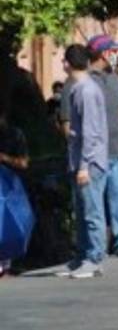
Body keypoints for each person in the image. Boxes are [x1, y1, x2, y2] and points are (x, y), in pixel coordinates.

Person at [81, 35, 118, 258]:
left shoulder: (116, 79)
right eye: (115, 51)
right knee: (95, 204)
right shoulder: (85, 82)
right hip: (97, 153)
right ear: (105, 53)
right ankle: (96, 248)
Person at [57, 44, 108, 279]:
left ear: (68, 63)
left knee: (92, 210)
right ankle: (82, 256)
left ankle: (94, 258)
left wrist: (85, 166)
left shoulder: (86, 90)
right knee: (82, 210)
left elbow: (90, 131)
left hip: (89, 161)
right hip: (79, 159)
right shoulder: (80, 88)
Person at [0, 111, 30, 277]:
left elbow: (24, 163)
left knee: (9, 223)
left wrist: (4, 158)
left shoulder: (14, 135)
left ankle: (7, 263)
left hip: (11, 188)